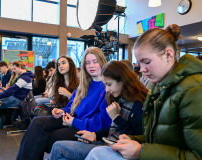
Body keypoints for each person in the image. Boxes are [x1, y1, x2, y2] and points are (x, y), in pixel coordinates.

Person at [85, 24, 202, 160]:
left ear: (168, 54)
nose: (142, 70)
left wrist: (141, 151)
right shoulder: (159, 87)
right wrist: (131, 139)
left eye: (146, 62)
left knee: (97, 154)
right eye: (140, 64)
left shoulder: (194, 89)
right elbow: (157, 138)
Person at [16, 47, 112, 160]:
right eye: (87, 63)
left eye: (95, 62)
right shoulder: (84, 85)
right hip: (71, 119)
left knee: (47, 138)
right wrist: (62, 111)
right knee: (37, 122)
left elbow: (102, 122)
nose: (91, 66)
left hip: (84, 127)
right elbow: (71, 105)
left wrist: (74, 122)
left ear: (102, 62)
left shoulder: (107, 87)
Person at [49, 61, 148, 160]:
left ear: (122, 80)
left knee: (58, 146)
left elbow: (135, 138)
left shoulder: (137, 105)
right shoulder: (119, 97)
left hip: (115, 149)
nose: (107, 90)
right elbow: (112, 128)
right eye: (87, 63)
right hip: (105, 141)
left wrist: (116, 118)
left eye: (109, 84)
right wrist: (95, 135)